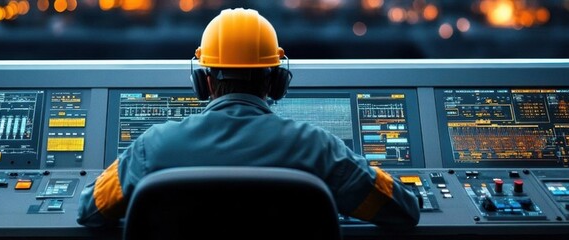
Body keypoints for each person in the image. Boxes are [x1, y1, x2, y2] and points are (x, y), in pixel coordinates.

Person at [77, 8, 420, 228]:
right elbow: (403, 210)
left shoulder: (151, 149)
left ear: (205, 80)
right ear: (275, 81)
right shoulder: (319, 149)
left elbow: (89, 209)